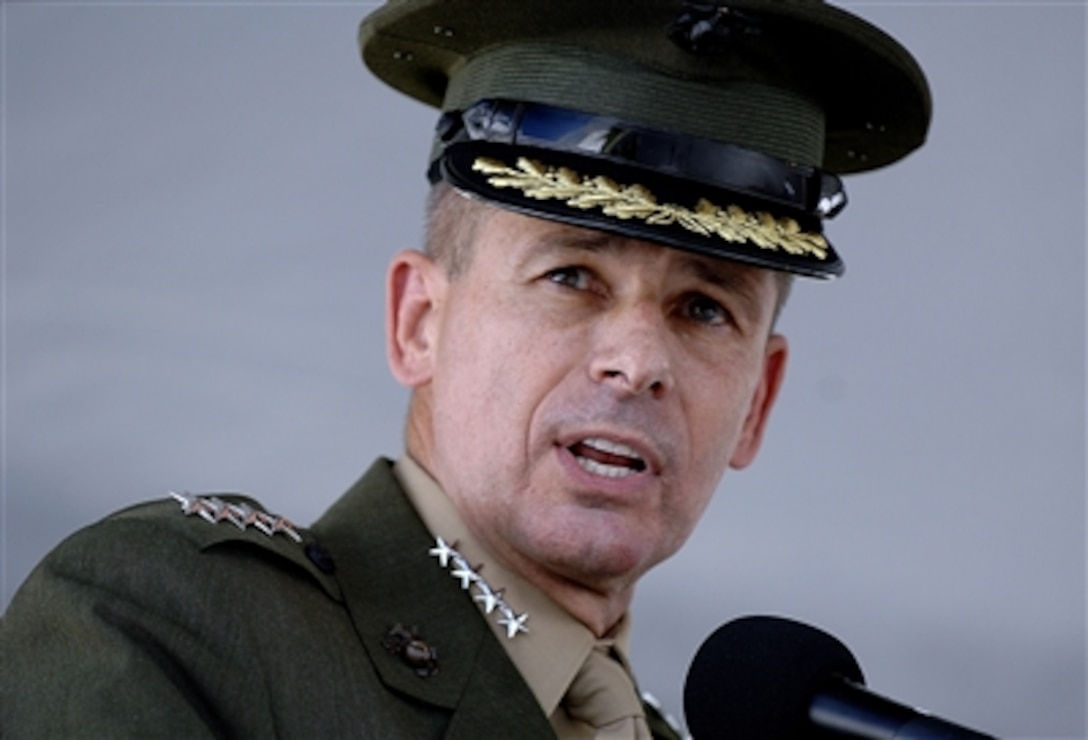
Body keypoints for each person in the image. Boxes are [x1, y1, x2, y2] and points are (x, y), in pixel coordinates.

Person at [1, 1, 930, 737]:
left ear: (757, 403)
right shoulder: (183, 623)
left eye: (703, 308)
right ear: (419, 323)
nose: (639, 362)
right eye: (571, 276)